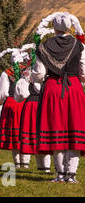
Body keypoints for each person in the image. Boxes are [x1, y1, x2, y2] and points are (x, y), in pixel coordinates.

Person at [31, 12, 85, 183]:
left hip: (53, 88)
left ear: (53, 27)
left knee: (56, 130)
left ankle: (60, 173)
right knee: (73, 129)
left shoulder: (45, 46)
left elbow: (39, 75)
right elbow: (84, 73)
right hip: (74, 88)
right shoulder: (79, 45)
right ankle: (72, 174)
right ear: (70, 27)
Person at [14, 45, 51, 173]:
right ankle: (43, 167)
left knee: (33, 135)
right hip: (40, 104)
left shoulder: (26, 75)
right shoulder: (45, 72)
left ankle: (28, 164)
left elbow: (21, 96)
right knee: (40, 135)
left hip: (31, 105)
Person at [0, 48, 31, 169]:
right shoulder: (28, 71)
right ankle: (25, 162)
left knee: (14, 135)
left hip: (11, 103)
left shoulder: (6, 73)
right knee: (25, 132)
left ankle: (17, 163)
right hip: (25, 103)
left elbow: (2, 93)